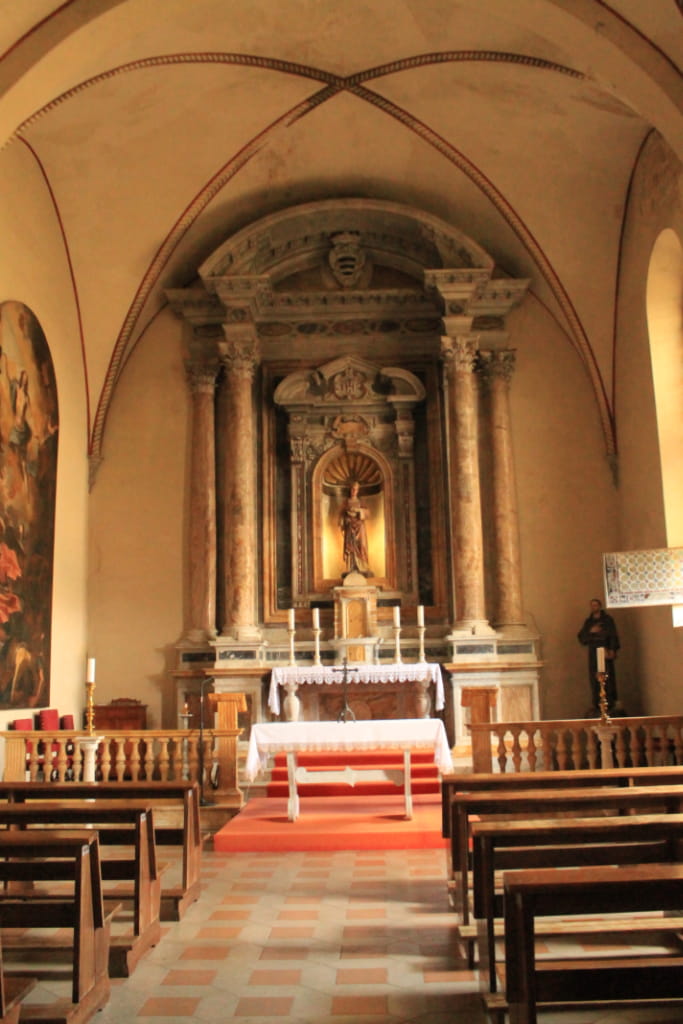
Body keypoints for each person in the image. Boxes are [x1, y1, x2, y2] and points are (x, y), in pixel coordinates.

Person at [577, 597, 620, 711]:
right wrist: (591, 631)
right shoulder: (589, 622)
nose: (594, 607)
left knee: (607, 676)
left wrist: (612, 649)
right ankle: (597, 702)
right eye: (592, 605)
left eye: (596, 605)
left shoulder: (607, 620)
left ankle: (609, 702)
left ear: (599, 606)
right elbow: (582, 638)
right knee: (594, 676)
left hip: (605, 650)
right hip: (593, 652)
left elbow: (613, 635)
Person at [339, 480, 370, 577]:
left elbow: (367, 513)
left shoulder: (361, 502)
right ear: (350, 490)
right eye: (352, 489)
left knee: (361, 546)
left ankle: (362, 567)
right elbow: (341, 515)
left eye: (356, 489)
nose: (354, 491)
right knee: (350, 547)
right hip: (349, 527)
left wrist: (358, 510)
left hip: (360, 527)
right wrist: (344, 520)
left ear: (358, 491)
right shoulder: (346, 502)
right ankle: (351, 568)